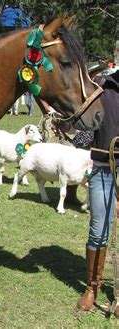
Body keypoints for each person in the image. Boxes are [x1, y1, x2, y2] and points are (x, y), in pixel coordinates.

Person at [76, 69, 118, 313]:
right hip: (103, 170)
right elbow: (82, 133)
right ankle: (93, 287)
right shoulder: (102, 85)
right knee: (99, 231)